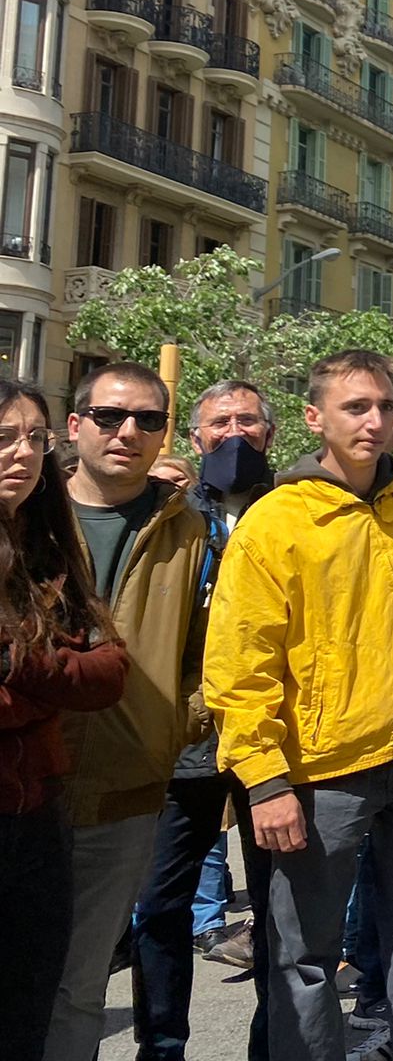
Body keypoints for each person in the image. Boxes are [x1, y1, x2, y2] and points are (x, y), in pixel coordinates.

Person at [205, 349, 393, 1061]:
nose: (373, 421)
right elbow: (242, 662)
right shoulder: (276, 521)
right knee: (303, 955)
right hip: (319, 776)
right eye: (355, 408)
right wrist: (265, 779)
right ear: (315, 418)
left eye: (383, 407)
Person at [46, 362, 212, 1061]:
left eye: (148, 419)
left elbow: (207, 658)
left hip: (126, 793)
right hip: (23, 779)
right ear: (76, 425)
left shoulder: (188, 529)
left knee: (79, 985)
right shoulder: (29, 513)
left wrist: (174, 727)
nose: (129, 432)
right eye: (111, 417)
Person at [132, 379, 279, 1061]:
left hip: (276, 746)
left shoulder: (294, 511)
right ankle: (162, 1044)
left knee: (284, 910)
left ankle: (272, 1042)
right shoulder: (169, 517)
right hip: (185, 742)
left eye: (248, 420)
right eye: (219, 422)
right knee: (161, 908)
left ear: (271, 433)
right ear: (195, 438)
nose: (235, 432)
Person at [0, 379, 128, 1056]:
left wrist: (22, 667)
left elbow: (109, 672)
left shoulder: (50, 548)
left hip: (36, 811)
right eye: (3, 438)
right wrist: (49, 672)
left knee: (28, 999)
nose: (22, 453)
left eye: (34, 438)